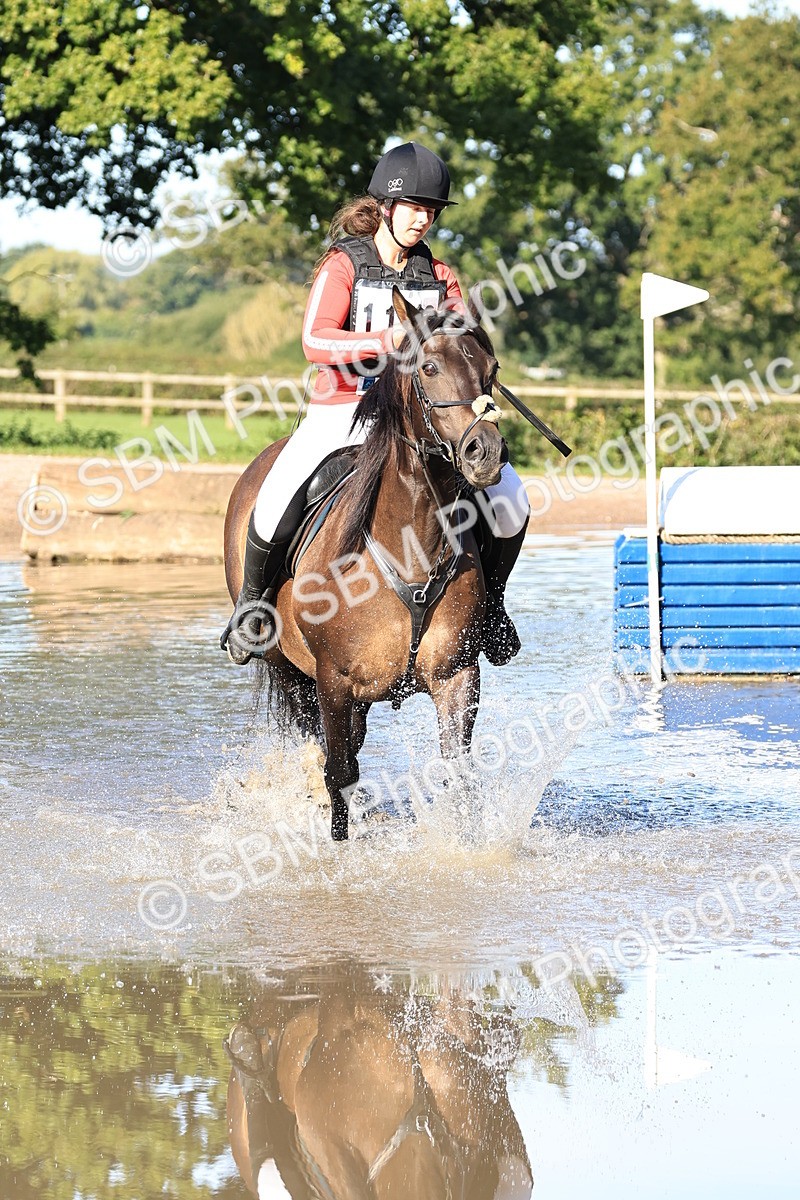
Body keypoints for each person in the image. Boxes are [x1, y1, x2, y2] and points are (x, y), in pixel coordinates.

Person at [220, 141, 530, 666]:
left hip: (419, 419)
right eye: (413, 207)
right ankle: (254, 611)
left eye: (431, 210)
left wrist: (476, 382)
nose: (423, 220)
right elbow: (315, 341)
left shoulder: (439, 276)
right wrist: (383, 341)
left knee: (512, 497)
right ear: (385, 208)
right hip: (342, 410)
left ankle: (492, 607)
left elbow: (461, 341)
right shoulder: (343, 266)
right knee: (275, 498)